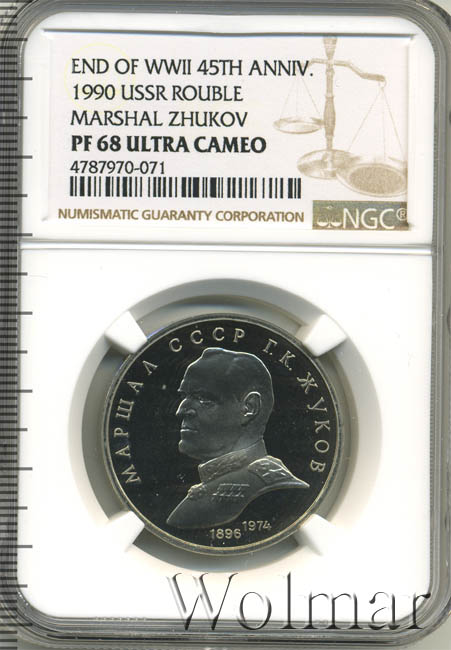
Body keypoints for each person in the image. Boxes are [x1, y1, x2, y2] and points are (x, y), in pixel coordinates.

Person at [166, 347, 309, 529]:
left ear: (249, 408)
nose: (180, 411)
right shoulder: (217, 484)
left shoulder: (273, 492)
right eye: (184, 396)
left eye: (203, 398)